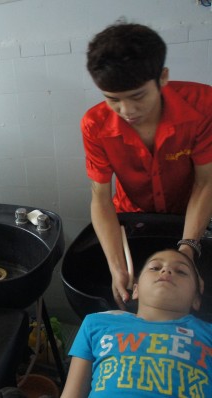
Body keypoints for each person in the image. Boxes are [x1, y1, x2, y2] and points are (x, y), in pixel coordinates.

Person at [82, 22, 212, 309]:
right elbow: (100, 198)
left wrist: (189, 246)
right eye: (112, 99)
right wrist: (117, 267)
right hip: (133, 216)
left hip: (192, 210)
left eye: (138, 96)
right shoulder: (95, 124)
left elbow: (206, 182)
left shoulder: (203, 106)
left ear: (162, 77)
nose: (127, 111)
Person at [61, 249, 212, 397]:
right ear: (136, 290)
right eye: (155, 267)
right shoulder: (96, 324)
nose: (166, 270)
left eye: (181, 271)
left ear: (196, 299)